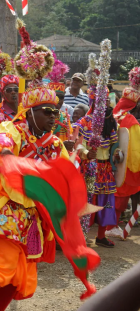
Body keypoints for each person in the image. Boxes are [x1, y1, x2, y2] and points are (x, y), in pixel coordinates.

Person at [0, 19, 73, 311]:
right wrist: (10, 157)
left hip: (33, 214)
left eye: (55, 112)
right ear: (30, 111)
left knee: (21, 275)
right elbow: (0, 144)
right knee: (1, 266)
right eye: (47, 112)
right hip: (6, 208)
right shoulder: (12, 128)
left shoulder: (53, 142)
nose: (52, 118)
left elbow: (65, 172)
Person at [76, 87, 119, 248]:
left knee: (106, 202)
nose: (106, 105)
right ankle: (81, 236)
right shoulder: (85, 122)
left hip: (106, 168)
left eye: (107, 101)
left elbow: (116, 145)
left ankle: (101, 236)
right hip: (90, 167)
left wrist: (118, 153)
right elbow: (78, 145)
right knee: (86, 202)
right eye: (102, 102)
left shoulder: (111, 121)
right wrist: (87, 153)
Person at [106, 70, 140, 239]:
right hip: (124, 165)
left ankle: (107, 225)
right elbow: (134, 150)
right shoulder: (131, 121)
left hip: (106, 161)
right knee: (120, 198)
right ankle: (111, 226)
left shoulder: (112, 114)